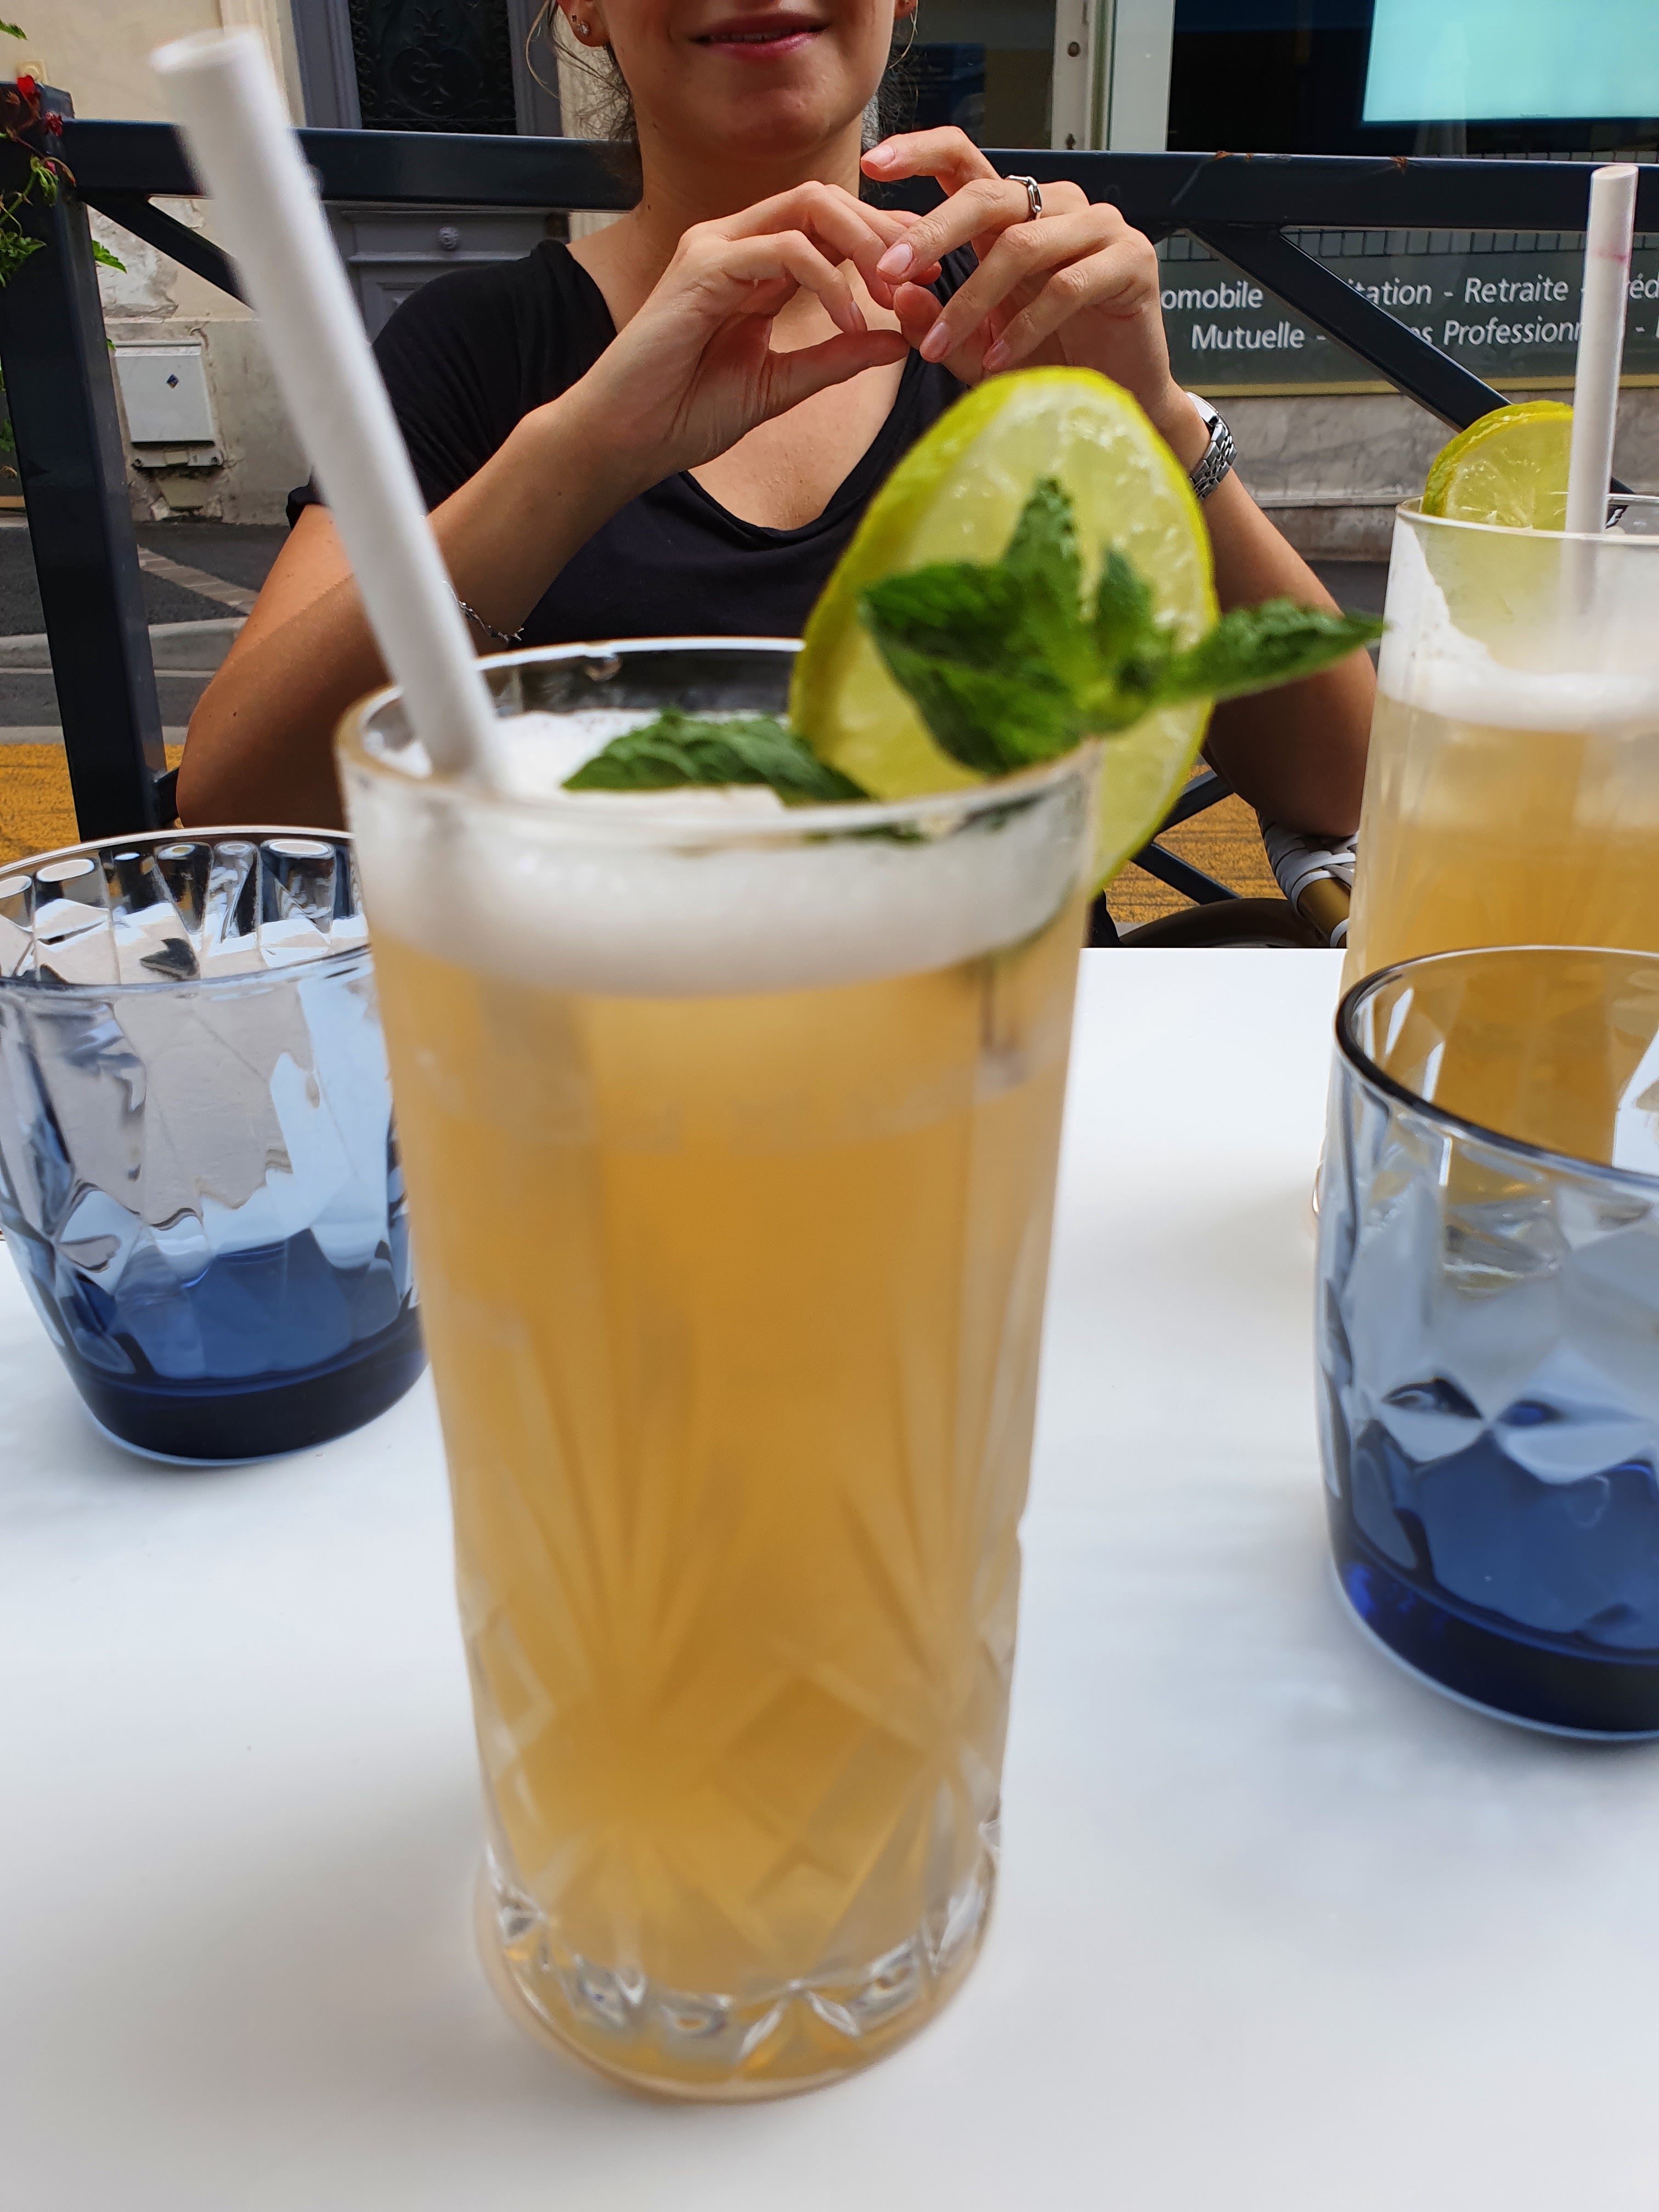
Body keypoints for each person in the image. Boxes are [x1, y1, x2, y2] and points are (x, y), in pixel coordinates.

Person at [176, 0, 1374, 838]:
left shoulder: (1027, 316)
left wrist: (1152, 424)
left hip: (1000, 1039)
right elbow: (236, 806)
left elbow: (1350, 788)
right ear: (582, 8)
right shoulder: (477, 346)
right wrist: (582, 452)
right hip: (634, 1053)